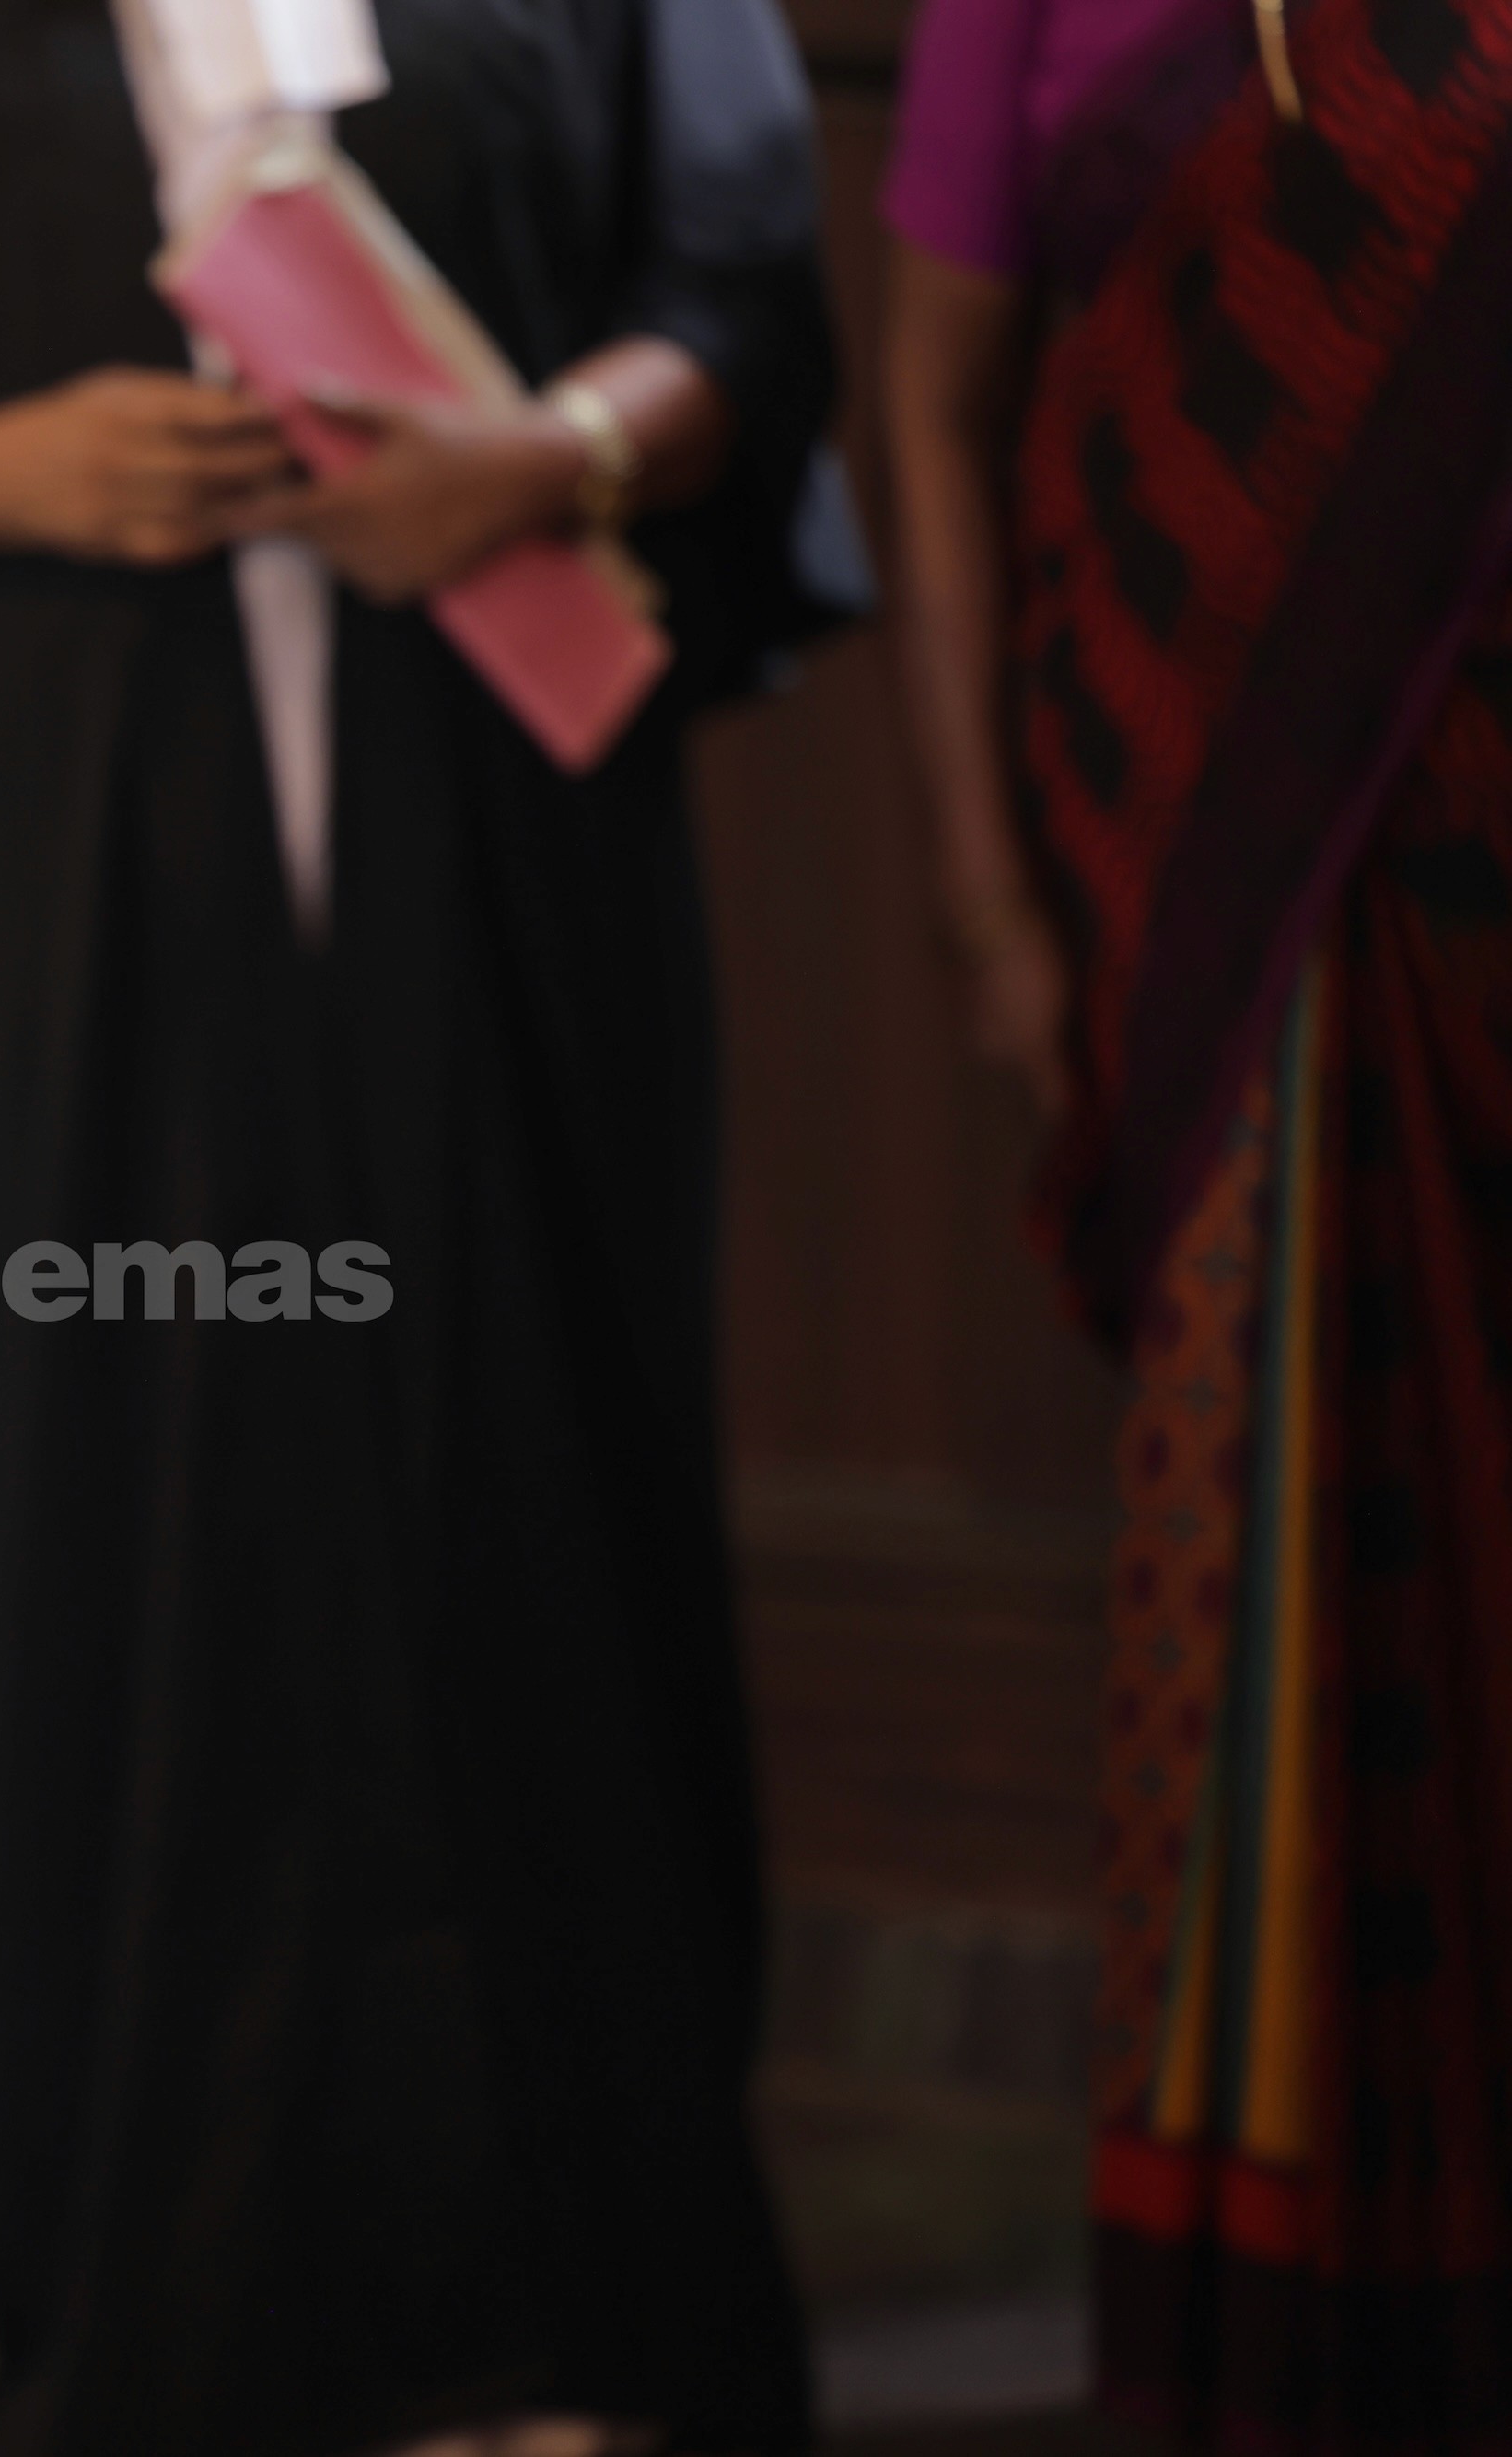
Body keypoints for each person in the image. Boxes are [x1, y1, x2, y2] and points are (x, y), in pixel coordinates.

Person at [0, 3, 864, 2449]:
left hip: (501, 840)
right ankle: (163, 2345)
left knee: (551, 1513)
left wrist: (547, 450)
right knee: (117, 1550)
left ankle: (599, 2328)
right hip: (69, 869)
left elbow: (744, 309)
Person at [879, 0, 1512, 2434]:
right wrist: (986, 894)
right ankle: (1299, 2350)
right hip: (1219, 892)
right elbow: (931, 403)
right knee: (1273, 1590)